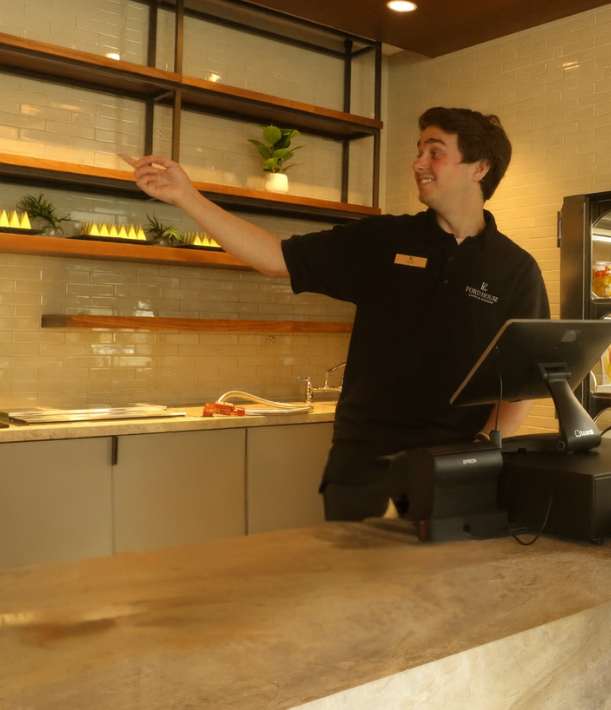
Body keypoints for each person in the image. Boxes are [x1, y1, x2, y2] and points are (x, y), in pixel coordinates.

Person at [124, 107, 550, 521]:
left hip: (457, 467)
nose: (419, 162)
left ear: (480, 168)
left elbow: (521, 384)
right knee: (357, 587)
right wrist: (186, 196)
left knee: (441, 591)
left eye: (435, 152)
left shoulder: (515, 269)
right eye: (419, 150)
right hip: (365, 463)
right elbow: (275, 257)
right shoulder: (382, 239)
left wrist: (481, 448)